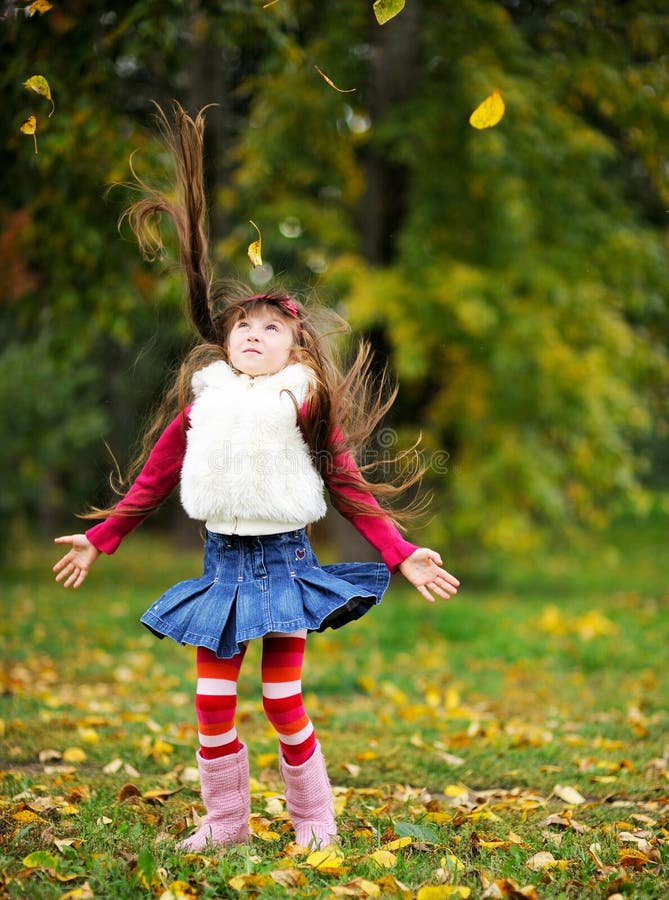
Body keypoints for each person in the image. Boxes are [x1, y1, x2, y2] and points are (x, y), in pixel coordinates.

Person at [53, 105, 459, 853]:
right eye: (244, 324)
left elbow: (346, 485)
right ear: (227, 342)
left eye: (272, 326)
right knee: (210, 701)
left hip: (284, 563)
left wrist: (402, 552)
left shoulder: (300, 400)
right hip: (220, 565)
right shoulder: (204, 400)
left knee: (280, 699)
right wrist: (102, 537)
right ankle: (225, 823)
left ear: (293, 346)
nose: (254, 332)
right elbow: (151, 479)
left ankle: (314, 820)